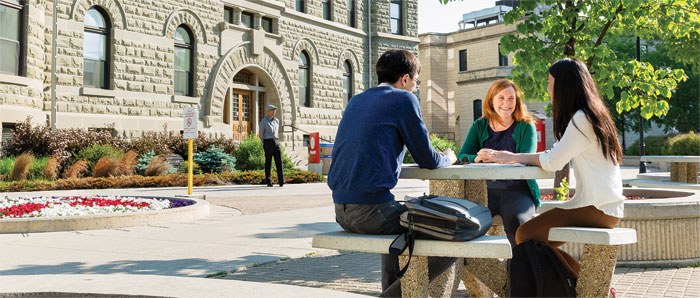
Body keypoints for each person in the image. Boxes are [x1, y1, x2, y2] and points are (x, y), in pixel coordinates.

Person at [328, 49, 458, 297]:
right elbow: (428, 159)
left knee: (397, 229)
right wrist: (449, 157)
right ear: (406, 78)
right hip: (371, 213)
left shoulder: (357, 100)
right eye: (416, 82)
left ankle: (390, 290)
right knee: (453, 235)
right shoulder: (403, 100)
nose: (415, 88)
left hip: (341, 211)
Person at [493, 58, 624, 277]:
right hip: (605, 206)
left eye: (550, 81)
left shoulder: (582, 119)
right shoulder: (594, 114)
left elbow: (554, 162)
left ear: (563, 85)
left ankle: (585, 281)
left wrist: (511, 156)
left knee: (525, 235)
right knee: (533, 241)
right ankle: (581, 282)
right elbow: (555, 156)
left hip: (598, 207)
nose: (547, 87)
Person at [457, 79, 539, 247]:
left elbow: (528, 158)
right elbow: (462, 156)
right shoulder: (479, 125)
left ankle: (519, 270)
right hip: (485, 191)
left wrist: (502, 157)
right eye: (501, 98)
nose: (506, 103)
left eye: (511, 98)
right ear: (491, 101)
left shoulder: (526, 126)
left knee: (518, 224)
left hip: (518, 190)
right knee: (463, 224)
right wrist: (476, 158)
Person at [259, 104, 284, 187]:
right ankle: (268, 181)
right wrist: (265, 143)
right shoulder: (263, 121)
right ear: (268, 111)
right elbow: (261, 135)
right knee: (268, 162)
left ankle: (281, 181)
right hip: (268, 142)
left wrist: (276, 141)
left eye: (275, 110)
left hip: (276, 142)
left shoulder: (277, 121)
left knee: (279, 161)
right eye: (272, 110)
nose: (274, 111)